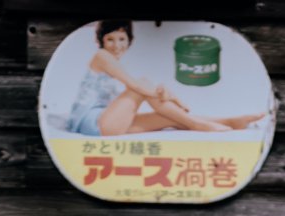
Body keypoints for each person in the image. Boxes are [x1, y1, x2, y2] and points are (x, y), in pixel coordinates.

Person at [66, 19, 267, 138]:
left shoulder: (112, 61)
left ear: (129, 40)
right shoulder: (102, 56)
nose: (116, 45)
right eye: (110, 39)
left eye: (121, 39)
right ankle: (199, 125)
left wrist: (165, 94)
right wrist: (171, 96)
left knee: (169, 117)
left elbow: (138, 90)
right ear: (101, 41)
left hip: (109, 121)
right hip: (93, 124)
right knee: (143, 83)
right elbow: (136, 86)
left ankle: (231, 121)